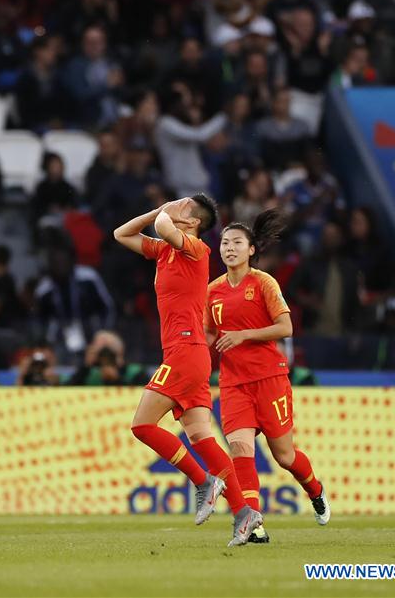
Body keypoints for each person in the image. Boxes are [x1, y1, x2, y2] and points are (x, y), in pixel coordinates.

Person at [114, 195, 262, 546]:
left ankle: (203, 481)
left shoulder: (196, 248)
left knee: (142, 425)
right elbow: (121, 234)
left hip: (184, 352)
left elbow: (165, 225)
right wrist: (157, 209)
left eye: (182, 209)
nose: (171, 211)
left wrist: (168, 210)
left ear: (193, 221)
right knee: (203, 440)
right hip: (190, 355)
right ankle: (245, 514)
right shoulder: (166, 251)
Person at [206, 210, 330, 544]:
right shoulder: (213, 291)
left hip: (269, 379)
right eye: (225, 243)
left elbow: (286, 327)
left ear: (250, 250)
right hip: (232, 383)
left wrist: (244, 335)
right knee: (239, 449)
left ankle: (315, 490)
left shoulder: (264, 283)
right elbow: (207, 335)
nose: (229, 248)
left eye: (237, 243)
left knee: (284, 456)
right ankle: (254, 524)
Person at [67, 330, 148, 385]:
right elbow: (67, 390)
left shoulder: (135, 373)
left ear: (118, 351)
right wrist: (85, 367)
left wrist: (117, 379)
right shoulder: (90, 374)